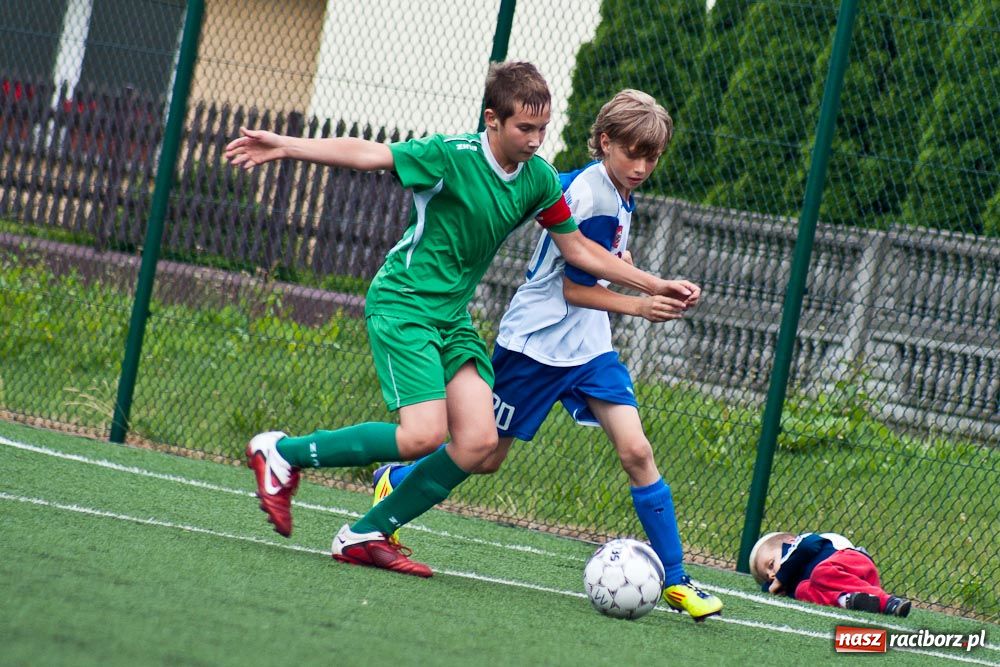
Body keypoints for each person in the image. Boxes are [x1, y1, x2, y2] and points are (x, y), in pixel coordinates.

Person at [224, 62, 698, 578]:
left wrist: (652, 284)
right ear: (492, 120)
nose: (537, 140)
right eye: (525, 129)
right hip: (404, 303)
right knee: (422, 436)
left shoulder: (538, 178)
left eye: (544, 129)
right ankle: (283, 453)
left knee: (478, 444)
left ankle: (365, 532)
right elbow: (368, 154)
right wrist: (289, 146)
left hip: (451, 318)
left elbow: (578, 248)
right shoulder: (451, 155)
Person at [370, 89, 722, 621]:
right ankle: (399, 479)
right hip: (534, 347)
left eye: (652, 157)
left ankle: (675, 579)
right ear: (605, 142)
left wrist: (620, 265)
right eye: (633, 153)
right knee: (484, 458)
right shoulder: (594, 194)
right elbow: (572, 290)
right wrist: (641, 304)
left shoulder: (605, 185)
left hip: (590, 349)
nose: (643, 166)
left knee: (637, 451)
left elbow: (568, 221)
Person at [749, 531, 911, 616]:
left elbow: (809, 546)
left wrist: (780, 578)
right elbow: (768, 588)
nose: (771, 575)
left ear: (791, 542)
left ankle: (889, 602)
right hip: (857, 588)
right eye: (767, 576)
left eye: (771, 565)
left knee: (821, 572)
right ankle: (847, 600)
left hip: (853, 562)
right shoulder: (791, 583)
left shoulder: (802, 543)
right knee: (802, 589)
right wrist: (774, 588)